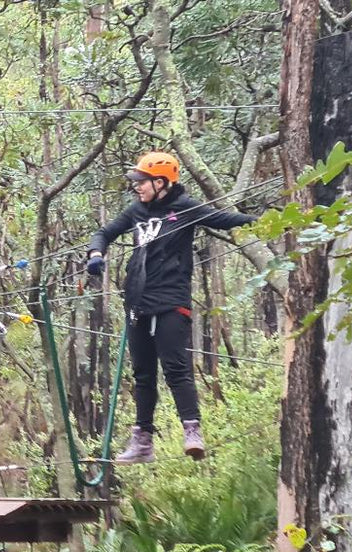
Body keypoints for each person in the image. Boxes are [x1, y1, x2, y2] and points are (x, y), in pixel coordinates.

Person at [86, 151, 257, 464]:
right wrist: (96, 253)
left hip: (172, 299)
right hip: (138, 300)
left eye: (142, 182)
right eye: (136, 182)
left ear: (162, 182)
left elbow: (225, 218)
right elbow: (105, 232)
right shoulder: (136, 211)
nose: (137, 187)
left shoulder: (184, 207)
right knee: (143, 375)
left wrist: (268, 222)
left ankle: (192, 431)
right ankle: (142, 443)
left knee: (176, 368)